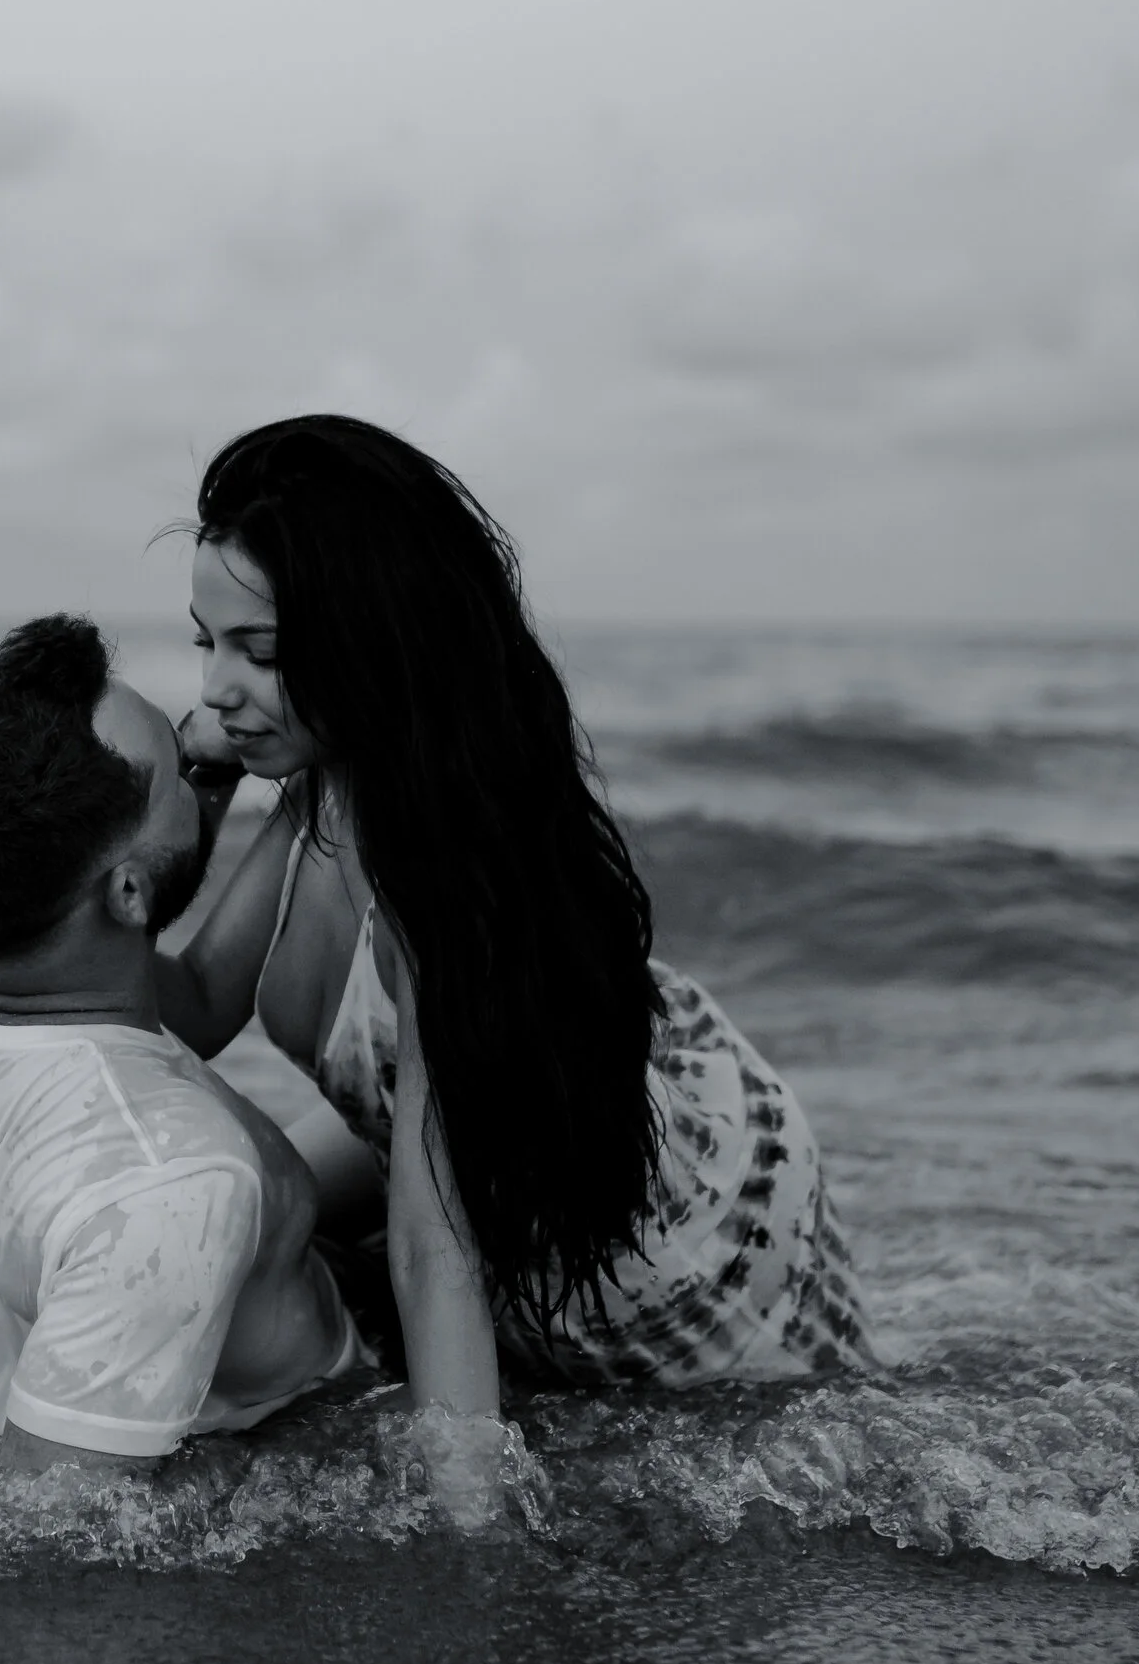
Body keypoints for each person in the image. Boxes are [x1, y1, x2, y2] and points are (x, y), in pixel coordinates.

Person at [159, 415, 870, 1428]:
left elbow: (432, 1251)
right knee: (225, 1229)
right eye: (206, 641)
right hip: (477, 1126)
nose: (213, 687)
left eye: (257, 651)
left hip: (681, 1237)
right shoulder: (327, 785)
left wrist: (466, 1542)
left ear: (374, 639)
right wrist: (188, 804)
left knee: (273, 1248)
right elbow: (183, 1007)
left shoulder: (437, 890)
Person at [0, 613, 371, 1479]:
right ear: (127, 891)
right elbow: (57, 1535)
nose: (203, 738)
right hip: (290, 1430)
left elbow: (180, 1003)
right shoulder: (164, 1180)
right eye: (176, 768)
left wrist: (308, 792)